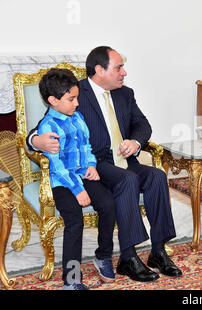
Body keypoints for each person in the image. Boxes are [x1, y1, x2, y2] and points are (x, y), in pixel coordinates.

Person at [28, 46, 182, 282]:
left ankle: (158, 251)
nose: (124, 73)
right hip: (97, 164)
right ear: (99, 70)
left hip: (125, 160)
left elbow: (143, 125)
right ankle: (128, 257)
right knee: (127, 181)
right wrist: (35, 140)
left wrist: (135, 141)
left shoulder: (125, 93)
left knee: (157, 176)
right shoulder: (76, 94)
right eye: (119, 67)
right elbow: (44, 125)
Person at [37, 68, 116, 290]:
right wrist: (77, 189)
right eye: (71, 99)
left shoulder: (78, 117)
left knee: (109, 205)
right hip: (63, 182)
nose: (77, 103)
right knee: (75, 222)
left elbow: (86, 146)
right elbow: (57, 166)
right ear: (53, 100)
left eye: (77, 97)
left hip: (83, 174)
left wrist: (91, 165)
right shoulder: (48, 127)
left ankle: (103, 256)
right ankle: (71, 280)